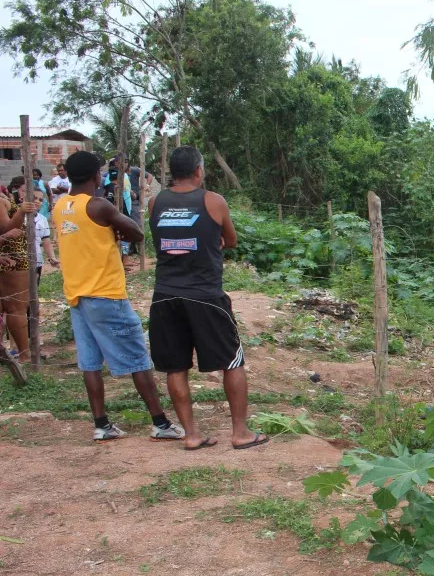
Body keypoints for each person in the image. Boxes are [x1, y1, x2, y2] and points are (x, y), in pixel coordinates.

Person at [53, 150, 183, 443]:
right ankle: (160, 424)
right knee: (137, 357)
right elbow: (136, 233)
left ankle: (101, 424)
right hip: (106, 294)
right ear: (95, 176)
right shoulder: (98, 206)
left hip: (77, 295)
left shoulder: (62, 206)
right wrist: (117, 229)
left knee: (89, 363)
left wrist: (112, 232)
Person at [148, 146, 268, 451]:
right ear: (199, 170)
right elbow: (231, 240)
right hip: (205, 295)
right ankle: (240, 432)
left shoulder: (154, 202)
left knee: (175, 367)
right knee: (232, 361)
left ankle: (190, 434)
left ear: (172, 173)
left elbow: (162, 240)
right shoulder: (213, 200)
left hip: (165, 294)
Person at [0, 177, 37, 361]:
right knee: (16, 307)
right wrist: (21, 212)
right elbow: (5, 227)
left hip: (10, 255)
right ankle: (24, 355)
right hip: (11, 256)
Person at [31, 189, 58, 278]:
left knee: (34, 287)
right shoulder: (17, 216)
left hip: (37, 260)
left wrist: (52, 257)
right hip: (20, 261)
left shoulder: (42, 219)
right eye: (34, 198)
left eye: (40, 200)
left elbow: (46, 240)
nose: (37, 201)